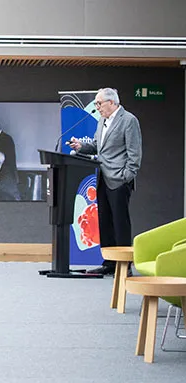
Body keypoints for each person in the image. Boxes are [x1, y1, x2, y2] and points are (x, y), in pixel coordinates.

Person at [69, 87, 143, 275]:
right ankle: (109, 263)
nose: (97, 107)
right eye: (96, 103)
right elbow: (97, 146)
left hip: (119, 180)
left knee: (120, 223)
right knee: (105, 222)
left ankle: (124, 265)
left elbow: (135, 154)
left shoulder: (129, 120)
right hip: (102, 177)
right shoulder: (102, 121)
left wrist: (126, 176)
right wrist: (80, 146)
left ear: (112, 102)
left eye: (99, 103)